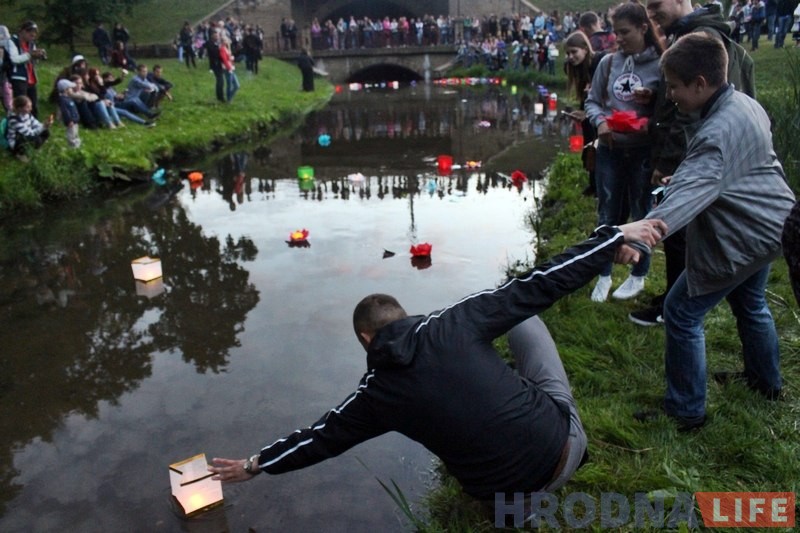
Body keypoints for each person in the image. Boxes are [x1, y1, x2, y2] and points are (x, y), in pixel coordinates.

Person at [207, 219, 667, 505]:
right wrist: (609, 241)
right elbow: (538, 283)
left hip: (501, 499)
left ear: (366, 339)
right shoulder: (454, 321)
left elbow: (321, 438)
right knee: (523, 317)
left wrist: (254, 464)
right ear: (404, 316)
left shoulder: (374, 396)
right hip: (563, 448)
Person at [631, 33, 795, 431]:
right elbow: (720, 170)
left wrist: (640, 232)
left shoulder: (715, 134)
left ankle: (686, 411)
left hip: (743, 237)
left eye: (673, 86)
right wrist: (688, 177)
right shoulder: (745, 104)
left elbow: (695, 185)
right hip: (776, 225)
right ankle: (765, 383)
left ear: (701, 83)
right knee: (751, 304)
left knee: (680, 312)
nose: (670, 96)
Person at [629, 0, 756, 326]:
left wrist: (668, 161)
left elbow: (691, 111)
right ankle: (761, 375)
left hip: (692, 157)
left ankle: (675, 305)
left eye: (656, 5)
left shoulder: (700, 36)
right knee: (749, 297)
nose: (651, 14)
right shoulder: (694, 32)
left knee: (677, 234)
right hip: (736, 189)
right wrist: (657, 93)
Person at [584, 2, 663, 302]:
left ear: (644, 28)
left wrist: (652, 102)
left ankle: (638, 274)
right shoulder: (607, 63)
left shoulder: (660, 64)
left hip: (643, 152)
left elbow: (668, 108)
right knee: (607, 213)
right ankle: (603, 274)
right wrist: (601, 123)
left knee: (642, 214)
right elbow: (592, 102)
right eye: (616, 33)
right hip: (610, 149)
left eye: (625, 32)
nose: (619, 39)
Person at [563, 31, 604, 196]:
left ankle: (600, 186)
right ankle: (593, 183)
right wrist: (581, 113)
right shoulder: (577, 68)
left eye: (574, 52)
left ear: (585, 49)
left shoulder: (599, 62)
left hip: (602, 111)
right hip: (589, 110)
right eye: (568, 53)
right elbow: (584, 98)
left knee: (599, 148)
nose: (571, 57)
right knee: (589, 148)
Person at [6, 20, 46, 119]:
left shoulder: (31, 44)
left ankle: (34, 129)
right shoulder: (12, 42)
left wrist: (38, 56)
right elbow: (14, 59)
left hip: (31, 77)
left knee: (33, 105)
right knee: (22, 104)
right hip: (18, 77)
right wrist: (30, 54)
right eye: (29, 31)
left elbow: (32, 62)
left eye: (35, 32)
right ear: (22, 31)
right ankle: (19, 125)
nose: (32, 34)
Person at [5, 95, 53, 160]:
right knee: (37, 139)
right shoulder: (14, 120)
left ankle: (34, 148)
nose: (31, 109)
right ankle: (19, 153)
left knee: (46, 132)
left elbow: (35, 123)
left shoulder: (26, 114)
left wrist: (44, 125)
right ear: (19, 108)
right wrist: (43, 126)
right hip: (16, 140)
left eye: (30, 106)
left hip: (25, 135)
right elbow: (29, 133)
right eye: (28, 107)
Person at [55, 79, 82, 147]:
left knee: (75, 134)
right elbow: (65, 111)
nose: (72, 89)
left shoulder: (68, 98)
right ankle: (72, 147)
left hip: (75, 120)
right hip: (71, 122)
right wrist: (69, 120)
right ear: (66, 89)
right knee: (71, 135)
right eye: (70, 88)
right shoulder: (63, 100)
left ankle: (77, 146)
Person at [206, 30, 225, 103]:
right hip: (215, 64)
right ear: (212, 36)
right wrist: (219, 48)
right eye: (216, 36)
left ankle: (220, 96)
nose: (217, 37)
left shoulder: (216, 43)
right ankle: (220, 97)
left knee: (221, 81)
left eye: (217, 35)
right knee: (220, 81)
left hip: (219, 64)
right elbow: (214, 53)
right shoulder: (210, 44)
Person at [219, 37, 239, 102]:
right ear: (222, 41)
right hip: (227, 69)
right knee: (229, 85)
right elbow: (224, 60)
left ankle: (229, 97)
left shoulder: (227, 48)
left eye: (226, 40)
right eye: (225, 40)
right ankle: (229, 99)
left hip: (231, 68)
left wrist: (231, 59)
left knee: (237, 85)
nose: (226, 41)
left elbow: (228, 59)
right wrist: (229, 67)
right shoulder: (222, 49)